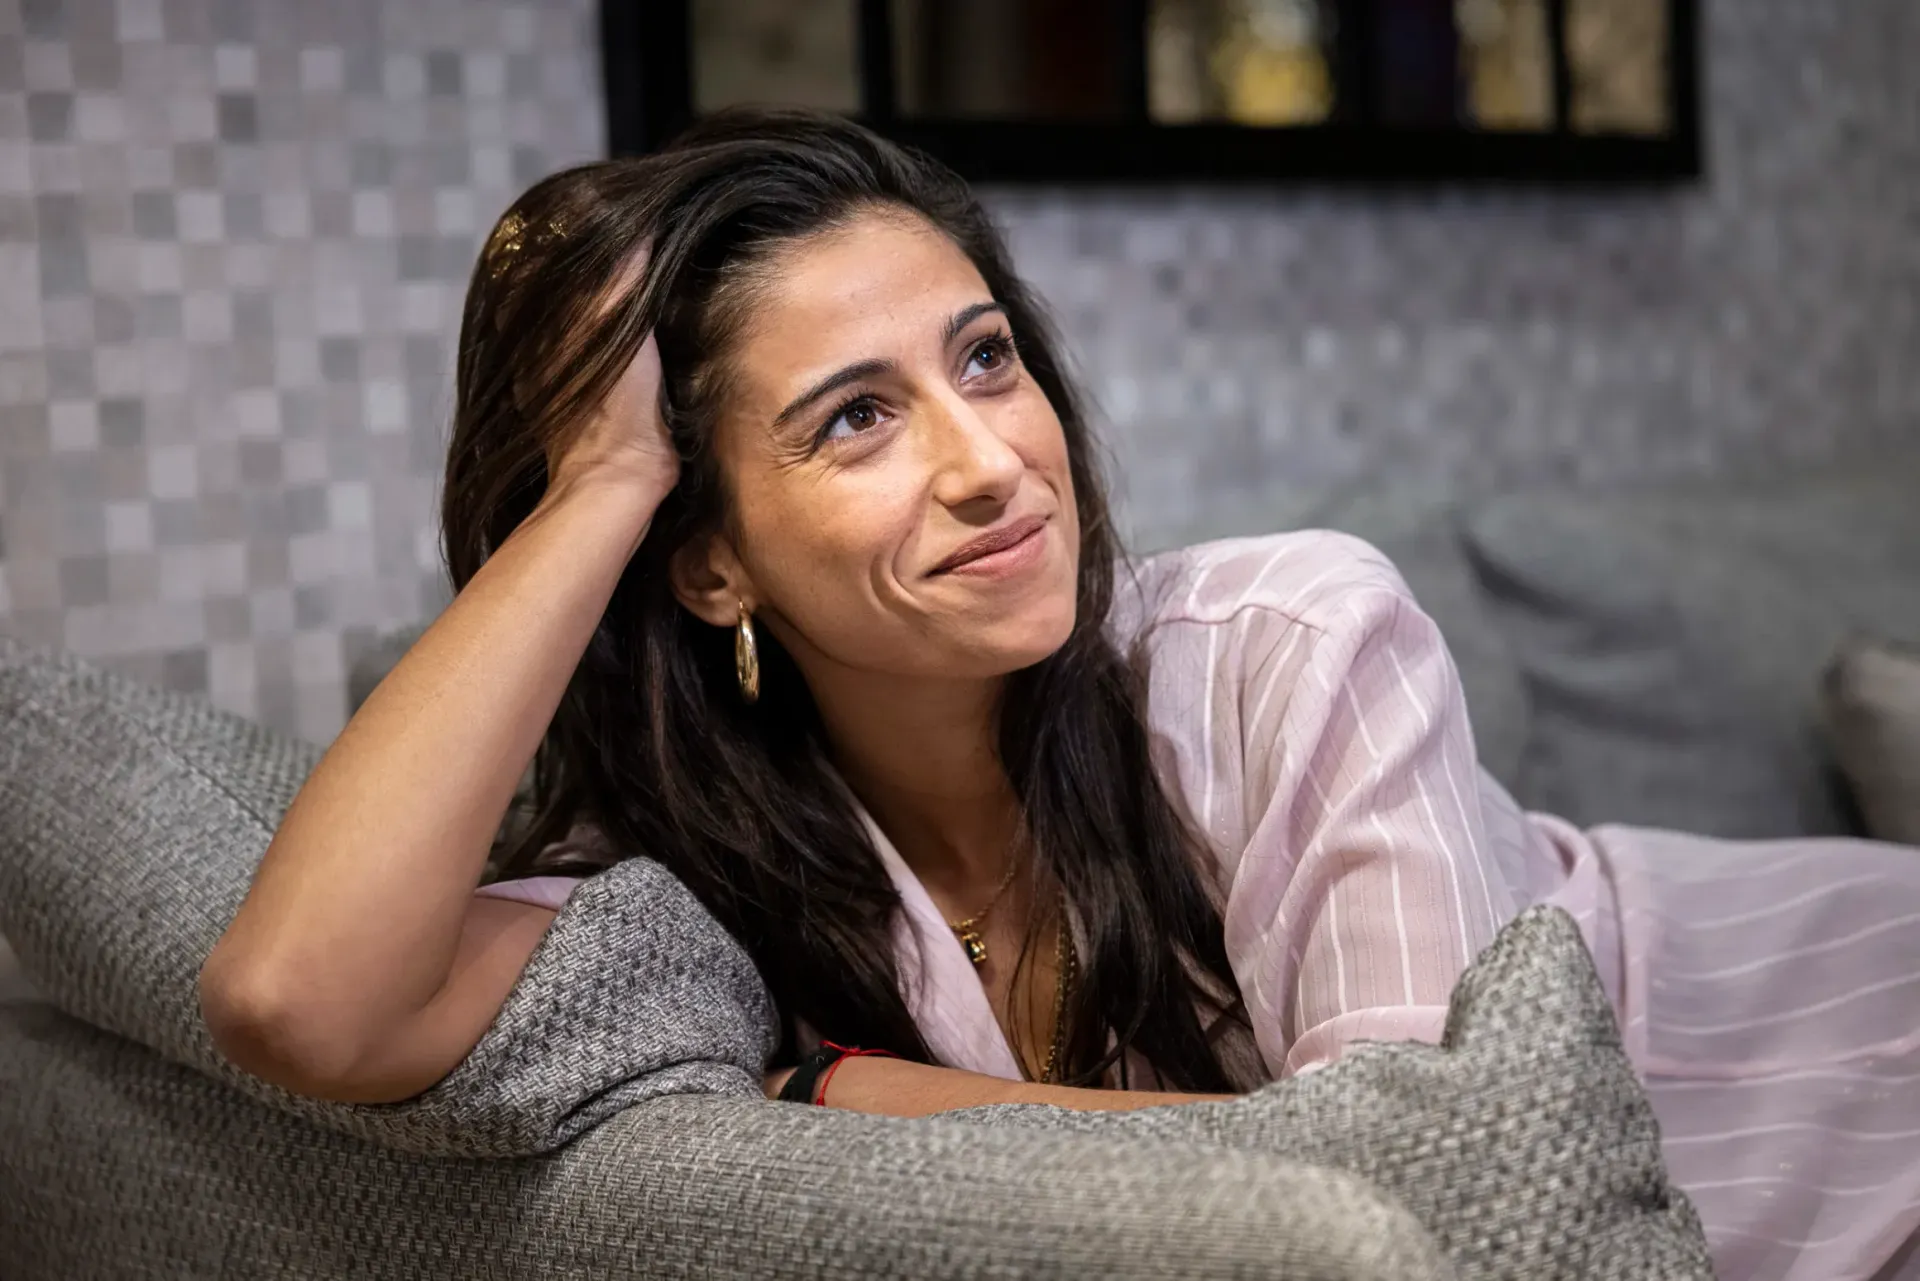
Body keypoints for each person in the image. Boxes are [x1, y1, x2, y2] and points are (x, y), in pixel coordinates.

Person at [199, 108, 1920, 1279]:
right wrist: (599, 491)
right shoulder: (721, 881)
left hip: (1847, 1056)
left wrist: (861, 1098)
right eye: (855, 418)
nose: (989, 462)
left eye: (985, 358)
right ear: (708, 565)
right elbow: (298, 1000)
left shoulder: (1289, 644)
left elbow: (1437, 1207)